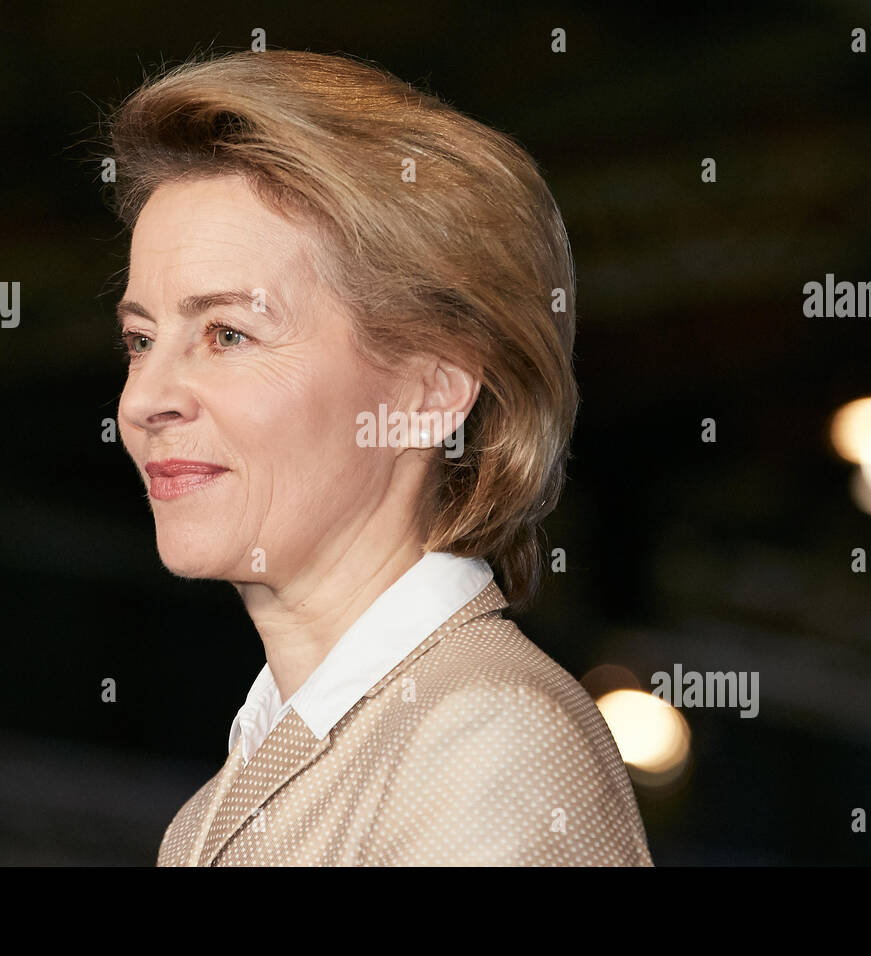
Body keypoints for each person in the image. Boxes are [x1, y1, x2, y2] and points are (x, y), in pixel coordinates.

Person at [109, 48, 653, 865]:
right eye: (140, 339)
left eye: (227, 334)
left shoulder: (487, 738)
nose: (145, 399)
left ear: (430, 392)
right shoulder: (209, 816)